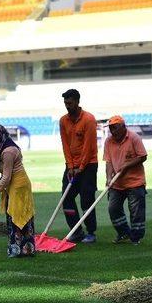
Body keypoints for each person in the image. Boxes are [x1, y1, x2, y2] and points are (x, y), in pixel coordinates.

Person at [0, 122, 36, 257]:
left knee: (18, 215)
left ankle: (23, 250)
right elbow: (5, 178)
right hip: (12, 186)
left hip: (19, 187)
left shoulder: (8, 151)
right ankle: (18, 249)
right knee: (12, 216)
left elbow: (6, 178)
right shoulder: (0, 148)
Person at [59, 88, 99, 243]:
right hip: (72, 166)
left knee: (86, 200)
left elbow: (88, 147)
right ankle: (75, 231)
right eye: (65, 103)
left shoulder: (88, 119)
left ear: (77, 101)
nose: (67, 106)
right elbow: (65, 145)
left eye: (69, 103)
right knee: (66, 198)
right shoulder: (63, 120)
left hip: (88, 165)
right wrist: (70, 166)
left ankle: (91, 232)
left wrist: (80, 168)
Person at [104, 115, 148, 245]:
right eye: (111, 128)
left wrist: (127, 165)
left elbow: (143, 156)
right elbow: (108, 161)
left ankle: (136, 237)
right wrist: (108, 178)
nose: (113, 131)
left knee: (136, 211)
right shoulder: (108, 141)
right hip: (117, 183)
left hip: (135, 182)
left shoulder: (134, 138)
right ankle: (123, 233)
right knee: (113, 208)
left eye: (115, 127)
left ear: (123, 126)